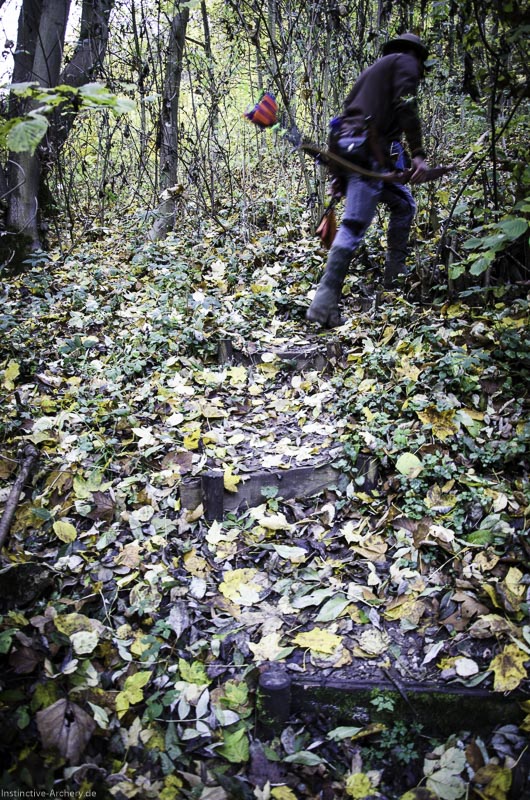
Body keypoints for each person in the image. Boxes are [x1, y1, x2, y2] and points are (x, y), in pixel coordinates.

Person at [306, 33, 431, 329]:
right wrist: (418, 153)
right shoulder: (406, 63)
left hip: (355, 153)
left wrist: (339, 174)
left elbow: (342, 121)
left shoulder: (371, 73)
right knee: (353, 225)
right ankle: (323, 301)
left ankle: (394, 278)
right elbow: (405, 107)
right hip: (367, 157)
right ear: (415, 55)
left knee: (404, 205)